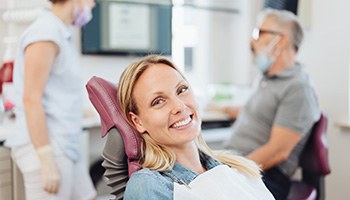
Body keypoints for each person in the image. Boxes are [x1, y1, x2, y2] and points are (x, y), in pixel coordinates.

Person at [116, 55, 275, 200]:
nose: (179, 105)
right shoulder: (148, 186)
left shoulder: (238, 168)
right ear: (138, 122)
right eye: (158, 101)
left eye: (181, 90)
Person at [222, 9, 320, 200]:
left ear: (280, 40)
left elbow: (277, 152)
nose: (252, 41)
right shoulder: (266, 78)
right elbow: (260, 114)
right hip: (238, 164)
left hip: (264, 176)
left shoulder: (298, 88)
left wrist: (228, 172)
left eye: (258, 33)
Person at [5, 0, 97, 199]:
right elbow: (31, 98)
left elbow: (55, 90)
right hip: (47, 145)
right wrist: (45, 159)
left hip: (65, 142)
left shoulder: (60, 33)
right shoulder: (45, 33)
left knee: (88, 195)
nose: (93, 5)